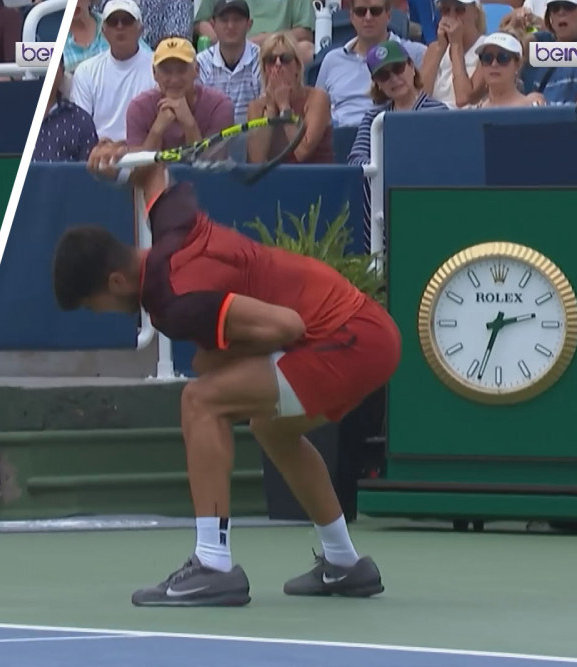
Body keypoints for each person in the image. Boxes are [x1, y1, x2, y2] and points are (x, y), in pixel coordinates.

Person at [51, 149, 401, 607]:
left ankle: (213, 565)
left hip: (348, 338)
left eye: (89, 304)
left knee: (202, 400)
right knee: (272, 428)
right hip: (367, 332)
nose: (96, 314)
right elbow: (151, 170)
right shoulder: (171, 229)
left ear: (116, 282)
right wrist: (117, 160)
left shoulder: (175, 299)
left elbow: (287, 327)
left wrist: (217, 364)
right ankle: (345, 563)